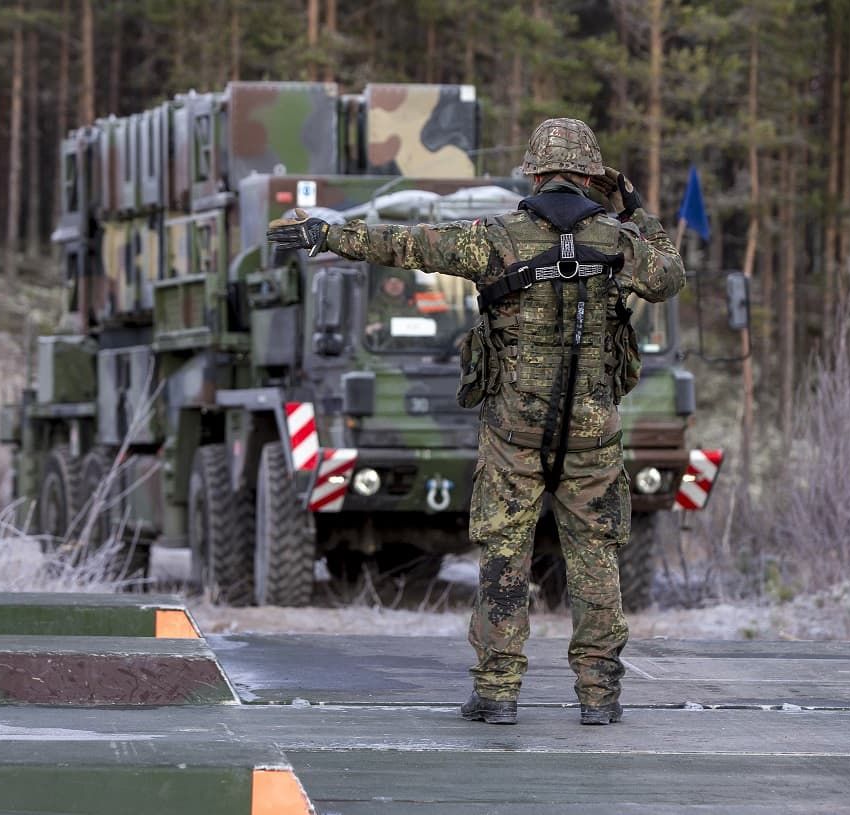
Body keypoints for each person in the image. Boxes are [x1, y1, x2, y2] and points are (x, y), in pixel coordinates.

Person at [268, 118, 685, 726]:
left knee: (503, 552)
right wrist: (634, 207)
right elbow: (670, 274)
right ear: (593, 176)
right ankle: (599, 695)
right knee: (595, 555)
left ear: (535, 173)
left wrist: (327, 233)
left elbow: (406, 244)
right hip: (593, 433)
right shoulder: (622, 242)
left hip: (514, 430)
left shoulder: (494, 239)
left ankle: (498, 692)